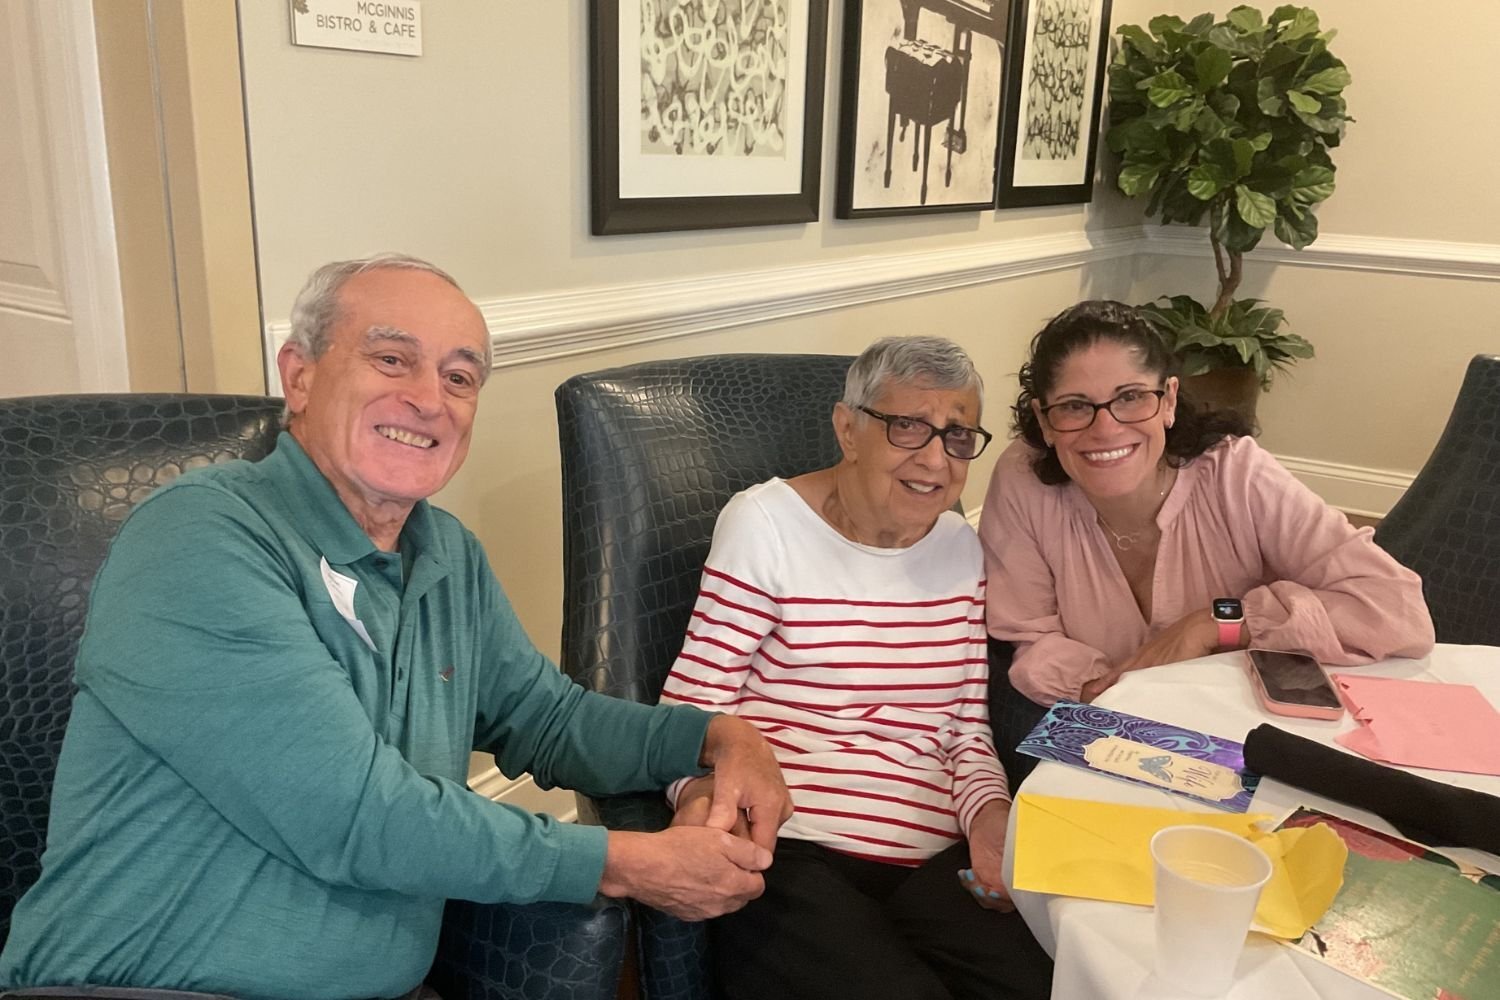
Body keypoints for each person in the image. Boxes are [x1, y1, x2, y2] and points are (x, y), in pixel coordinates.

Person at [0, 254, 791, 1000]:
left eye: (459, 377)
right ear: (299, 375)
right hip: (153, 989)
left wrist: (714, 738)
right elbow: (354, 815)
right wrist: (619, 862)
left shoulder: (444, 553)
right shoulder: (200, 539)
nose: (429, 399)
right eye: (391, 360)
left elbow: (549, 720)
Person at [659, 337, 1053, 1000]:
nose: (934, 460)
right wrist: (700, 801)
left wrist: (991, 815)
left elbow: (962, 726)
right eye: (908, 428)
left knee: (1050, 984)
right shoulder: (767, 525)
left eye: (958, 437)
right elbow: (690, 710)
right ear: (849, 429)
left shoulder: (959, 546)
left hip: (936, 861)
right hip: (793, 850)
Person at [980, 300, 1435, 778]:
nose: (1106, 426)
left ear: (1170, 400)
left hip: (1252, 744)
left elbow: (1397, 610)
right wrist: (1112, 687)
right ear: (1045, 419)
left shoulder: (1237, 474)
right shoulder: (1023, 479)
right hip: (1116, 742)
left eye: (1132, 396)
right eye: (1075, 406)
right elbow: (1029, 637)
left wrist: (1213, 624)